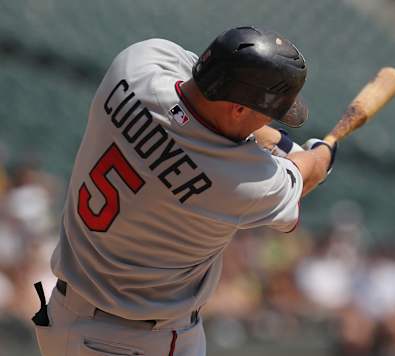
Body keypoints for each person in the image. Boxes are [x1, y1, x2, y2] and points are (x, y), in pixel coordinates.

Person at [32, 26, 336, 356]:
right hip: (133, 340)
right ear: (238, 109)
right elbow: (308, 174)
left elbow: (202, 103)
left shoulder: (137, 63)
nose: (270, 122)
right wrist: (323, 151)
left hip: (62, 312)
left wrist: (280, 140)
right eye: (269, 112)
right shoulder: (239, 184)